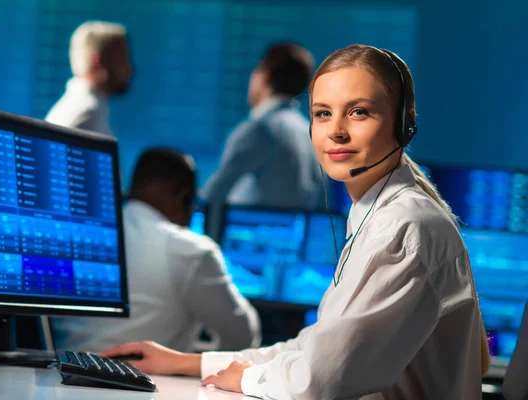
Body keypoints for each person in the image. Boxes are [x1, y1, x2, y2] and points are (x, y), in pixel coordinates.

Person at [100, 45, 491, 399]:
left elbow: (322, 378)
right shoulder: (378, 215)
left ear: (404, 123)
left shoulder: (403, 227)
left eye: (358, 112)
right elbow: (315, 350)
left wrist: (247, 379)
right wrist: (187, 363)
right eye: (323, 113)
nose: (336, 131)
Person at [53, 148, 260, 353]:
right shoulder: (191, 251)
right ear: (183, 198)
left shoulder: (82, 233)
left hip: (61, 375)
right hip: (140, 383)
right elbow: (242, 338)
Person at [202, 42, 322, 209]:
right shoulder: (309, 131)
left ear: (264, 75)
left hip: (248, 231)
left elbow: (213, 194)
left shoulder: (260, 129)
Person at [45, 20, 133, 135]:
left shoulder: (80, 108)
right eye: (122, 60)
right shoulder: (87, 115)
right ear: (99, 62)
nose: (130, 69)